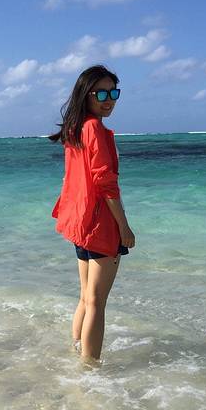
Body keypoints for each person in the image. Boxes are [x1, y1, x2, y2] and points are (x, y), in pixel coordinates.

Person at [50, 64, 136, 363]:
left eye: (113, 93)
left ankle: (76, 353)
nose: (108, 100)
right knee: (96, 302)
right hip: (99, 224)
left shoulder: (75, 129)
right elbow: (105, 183)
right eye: (101, 93)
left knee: (86, 297)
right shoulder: (94, 128)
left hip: (79, 220)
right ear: (86, 94)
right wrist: (124, 227)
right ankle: (90, 370)